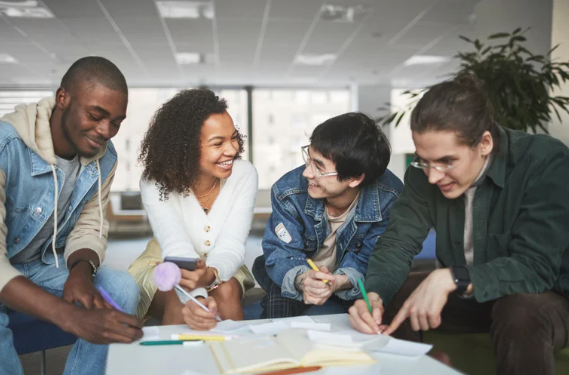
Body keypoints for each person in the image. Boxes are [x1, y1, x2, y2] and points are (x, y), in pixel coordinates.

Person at [348, 74, 569, 375]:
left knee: (518, 310)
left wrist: (452, 277)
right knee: (393, 292)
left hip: (548, 297)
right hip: (472, 296)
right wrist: (373, 295)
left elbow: (536, 267)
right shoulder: (421, 175)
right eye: (424, 160)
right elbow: (397, 242)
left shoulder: (543, 162)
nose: (433, 176)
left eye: (447, 161)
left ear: (485, 144)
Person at [0, 57, 143, 375]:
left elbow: (92, 222)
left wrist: (81, 269)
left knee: (120, 288)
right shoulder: (5, 147)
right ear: (63, 98)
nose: (106, 131)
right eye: (96, 115)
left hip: (36, 265)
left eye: (116, 122)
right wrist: (72, 317)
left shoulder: (104, 157)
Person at [128, 89, 257, 331]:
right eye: (217, 143)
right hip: (165, 262)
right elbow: (176, 246)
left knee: (226, 290)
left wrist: (211, 275)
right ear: (185, 148)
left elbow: (231, 244)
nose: (232, 150)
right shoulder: (155, 181)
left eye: (233, 137)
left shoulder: (244, 174)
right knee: (180, 298)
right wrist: (197, 297)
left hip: (223, 263)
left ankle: (238, 364)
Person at [253, 112, 403, 318]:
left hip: (352, 276)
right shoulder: (288, 190)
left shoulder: (389, 196)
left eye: (319, 168)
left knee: (372, 308)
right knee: (279, 298)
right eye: (309, 159)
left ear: (354, 178)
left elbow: (373, 259)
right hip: (299, 268)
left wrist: (339, 282)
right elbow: (282, 252)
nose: (307, 173)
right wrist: (303, 279)